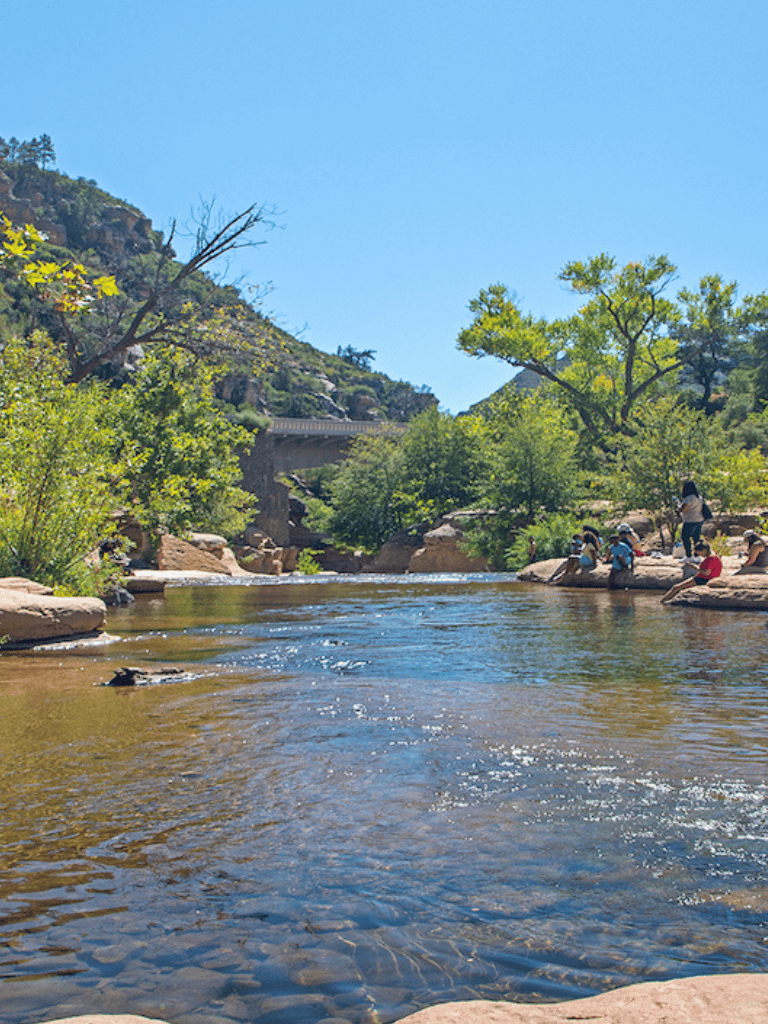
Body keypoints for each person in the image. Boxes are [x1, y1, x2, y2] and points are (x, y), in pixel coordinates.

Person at [676, 481, 705, 559]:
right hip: (699, 519)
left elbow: (683, 510)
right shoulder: (699, 497)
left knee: (685, 538)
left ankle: (689, 556)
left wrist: (677, 505)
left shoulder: (689, 498)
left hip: (690, 520)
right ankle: (697, 556)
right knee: (696, 538)